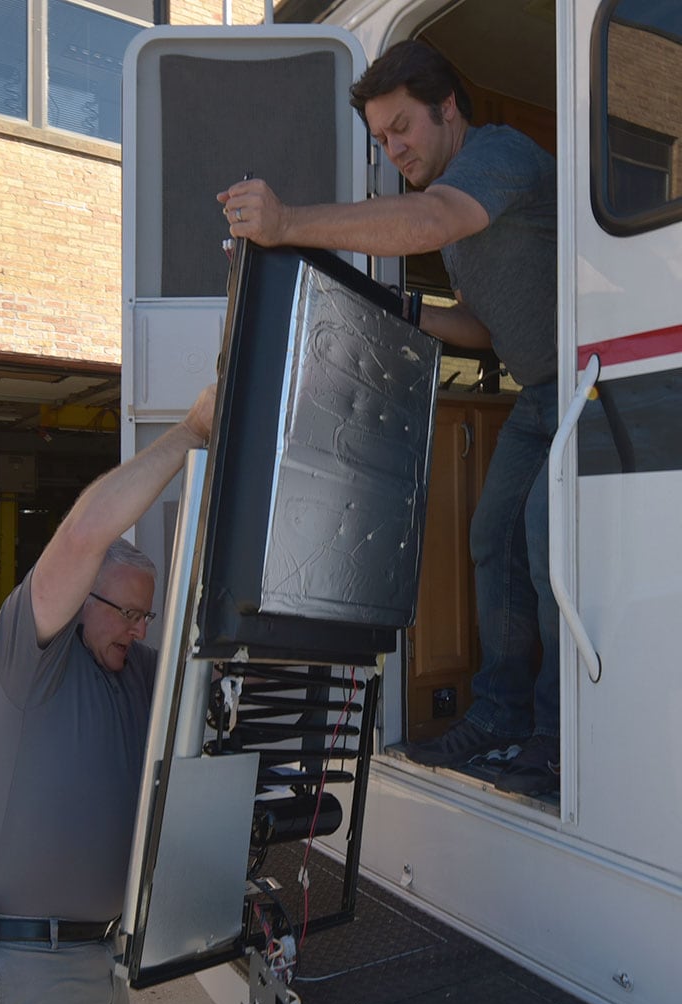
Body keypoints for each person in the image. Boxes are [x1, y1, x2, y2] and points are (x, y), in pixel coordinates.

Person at [217, 39, 559, 797]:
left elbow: (428, 222)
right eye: (380, 137)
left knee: (546, 539)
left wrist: (288, 224)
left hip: (592, 379)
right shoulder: (454, 196)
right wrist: (403, 311)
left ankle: (559, 739)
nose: (393, 147)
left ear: (448, 111)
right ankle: (501, 719)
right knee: (493, 538)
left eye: (403, 125)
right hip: (541, 392)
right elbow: (482, 324)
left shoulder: (495, 159)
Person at [0, 384, 215, 1004]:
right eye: (129, 614)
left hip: (97, 962)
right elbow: (86, 533)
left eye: (148, 616)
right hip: (13, 965)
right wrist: (192, 431)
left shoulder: (139, 673)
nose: (141, 630)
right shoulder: (24, 656)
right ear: (83, 596)